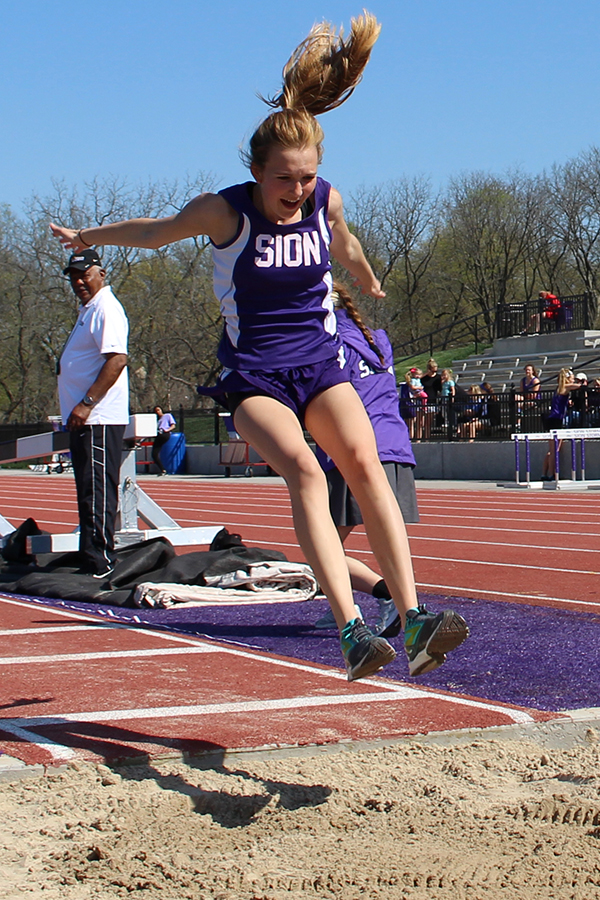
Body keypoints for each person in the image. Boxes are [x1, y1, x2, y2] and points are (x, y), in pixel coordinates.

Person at [50, 13, 468, 681]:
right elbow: (157, 233)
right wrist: (89, 236)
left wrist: (362, 273)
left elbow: (343, 237)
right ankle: (352, 629)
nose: (296, 192)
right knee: (305, 472)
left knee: (362, 463)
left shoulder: (321, 201)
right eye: (285, 181)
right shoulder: (228, 212)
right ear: (256, 171)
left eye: (305, 179)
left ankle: (415, 615)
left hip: (321, 367)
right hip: (255, 380)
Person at [313, 283, 419, 638]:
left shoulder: (324, 343)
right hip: (394, 443)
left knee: (322, 547)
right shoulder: (378, 340)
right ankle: (399, 604)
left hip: (352, 447)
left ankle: (371, 601)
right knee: (388, 537)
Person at [57, 248, 129, 578]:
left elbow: (116, 359)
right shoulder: (88, 310)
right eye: (73, 277)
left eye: (84, 275)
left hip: (98, 418)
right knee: (87, 490)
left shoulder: (106, 309)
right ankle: (90, 555)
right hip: (85, 420)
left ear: (101, 273)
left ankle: (101, 559)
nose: (79, 282)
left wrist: (86, 404)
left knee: (97, 490)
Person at [541, 368, 580, 481]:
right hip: (557, 420)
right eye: (572, 378)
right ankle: (552, 474)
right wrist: (581, 382)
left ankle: (544, 473)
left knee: (551, 449)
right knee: (555, 450)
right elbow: (578, 386)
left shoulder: (558, 388)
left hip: (552, 419)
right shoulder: (565, 387)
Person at [514, 363, 540, 429]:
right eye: (526, 370)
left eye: (529, 370)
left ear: (532, 371)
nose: (527, 371)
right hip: (524, 399)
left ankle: (519, 420)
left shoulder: (535, 381)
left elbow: (534, 395)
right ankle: (519, 418)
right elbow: (522, 392)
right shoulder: (523, 380)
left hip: (535, 400)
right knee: (516, 398)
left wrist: (527, 396)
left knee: (521, 403)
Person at [152, 406, 176, 475]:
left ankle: (163, 469)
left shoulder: (167, 415)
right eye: (156, 411)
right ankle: (162, 469)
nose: (158, 412)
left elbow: (173, 425)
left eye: (158, 410)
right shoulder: (157, 421)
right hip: (158, 434)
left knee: (157, 447)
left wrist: (167, 430)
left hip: (165, 433)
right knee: (154, 454)